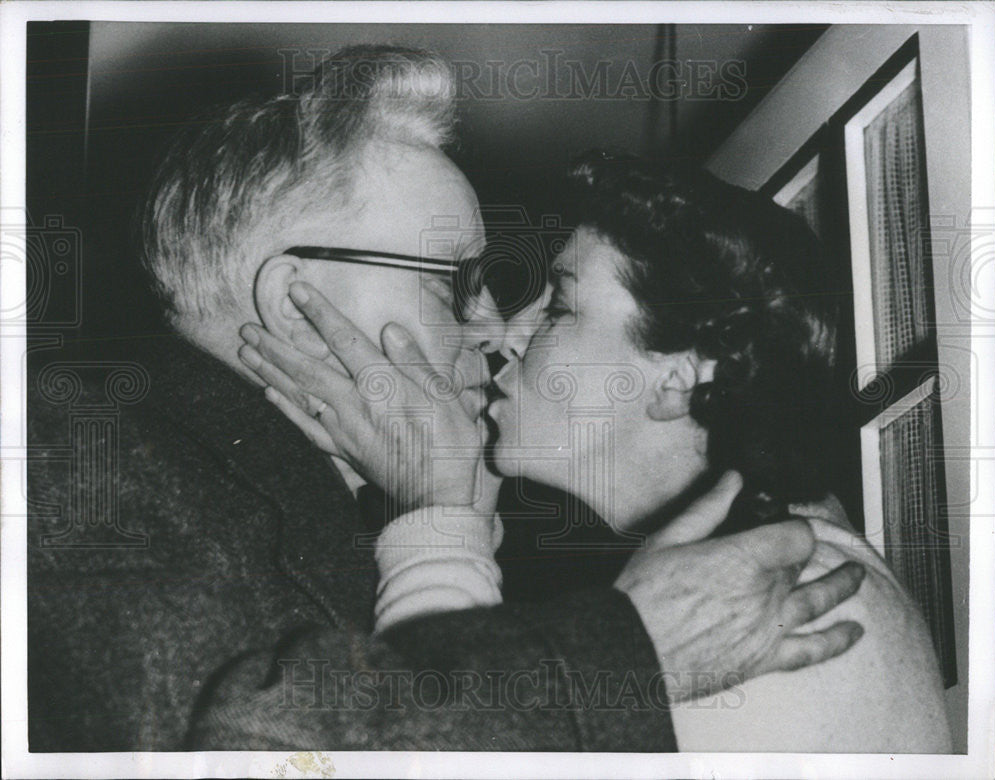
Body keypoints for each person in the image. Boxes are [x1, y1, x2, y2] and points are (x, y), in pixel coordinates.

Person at [28, 46, 862, 752]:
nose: (494, 331)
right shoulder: (69, 446)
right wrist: (627, 654)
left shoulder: (302, 510)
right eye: (453, 284)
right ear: (293, 305)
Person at [244, 155, 951, 752]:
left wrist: (439, 520)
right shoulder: (780, 554)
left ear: (680, 377)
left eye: (558, 307)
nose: (505, 338)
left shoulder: (770, 602)